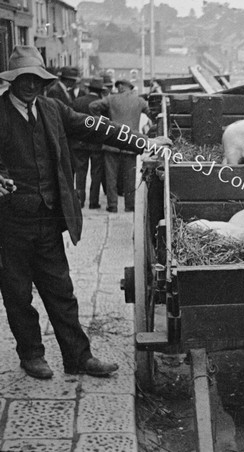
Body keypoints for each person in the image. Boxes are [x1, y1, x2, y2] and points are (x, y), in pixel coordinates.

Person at [0, 46, 171, 380]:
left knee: (61, 291)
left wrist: (144, 143)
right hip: (10, 223)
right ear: (13, 81)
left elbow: (99, 127)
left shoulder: (53, 109)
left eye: (36, 79)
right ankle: (32, 355)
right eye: (24, 79)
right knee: (18, 294)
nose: (31, 85)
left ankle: (79, 357)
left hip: (48, 219)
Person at [90, 79, 153, 213]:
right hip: (131, 144)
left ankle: (112, 206)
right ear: (130, 88)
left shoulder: (111, 99)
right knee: (129, 177)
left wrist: (103, 122)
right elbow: (152, 113)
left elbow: (93, 106)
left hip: (112, 142)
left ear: (121, 87)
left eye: (118, 86)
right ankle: (130, 205)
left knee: (111, 177)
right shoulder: (139, 101)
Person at [71, 77, 107, 209]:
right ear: (100, 91)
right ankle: (93, 202)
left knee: (80, 173)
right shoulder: (102, 104)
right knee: (96, 173)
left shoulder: (77, 102)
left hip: (79, 143)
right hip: (96, 143)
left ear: (89, 88)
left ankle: (79, 201)